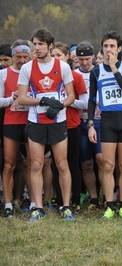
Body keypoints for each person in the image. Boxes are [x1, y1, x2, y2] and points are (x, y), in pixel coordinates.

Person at [18, 28, 76, 221]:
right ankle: (38, 208)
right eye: (35, 44)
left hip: (58, 122)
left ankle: (66, 206)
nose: (37, 48)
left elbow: (71, 97)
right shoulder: (27, 68)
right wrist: (41, 102)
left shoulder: (63, 67)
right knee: (36, 165)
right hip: (36, 122)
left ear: (50, 46)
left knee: (61, 164)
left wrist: (59, 105)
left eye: (41, 44)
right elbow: (22, 99)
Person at [87, 30, 122, 219]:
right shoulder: (96, 71)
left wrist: (114, 68)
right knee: (107, 165)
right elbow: (91, 99)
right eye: (105, 46)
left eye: (112, 46)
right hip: (106, 120)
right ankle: (109, 205)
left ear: (119, 48)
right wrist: (90, 123)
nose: (108, 50)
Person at [51, 42, 88, 214]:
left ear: (67, 57)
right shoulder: (50, 77)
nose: (55, 58)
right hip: (52, 125)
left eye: (59, 55)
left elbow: (86, 103)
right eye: (53, 55)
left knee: (72, 163)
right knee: (55, 164)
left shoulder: (76, 77)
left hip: (72, 124)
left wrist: (66, 103)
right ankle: (59, 201)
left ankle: (75, 201)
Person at [0, 40, 31, 218]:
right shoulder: (4, 74)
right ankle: (8, 203)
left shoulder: (32, 72)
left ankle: (34, 202)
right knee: (9, 164)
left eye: (25, 57)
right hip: (11, 121)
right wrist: (12, 98)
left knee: (31, 164)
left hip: (30, 121)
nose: (22, 60)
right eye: (18, 57)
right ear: (12, 57)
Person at [75, 41, 103, 211]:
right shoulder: (71, 75)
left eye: (87, 59)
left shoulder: (101, 72)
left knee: (101, 160)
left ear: (93, 57)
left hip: (100, 122)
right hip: (80, 122)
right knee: (86, 163)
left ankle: (107, 196)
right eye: (81, 59)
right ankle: (93, 198)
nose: (84, 62)